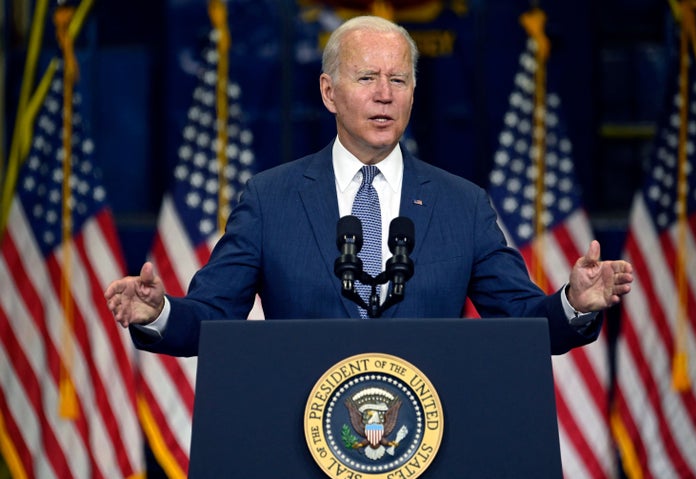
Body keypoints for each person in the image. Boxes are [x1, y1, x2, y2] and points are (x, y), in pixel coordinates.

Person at [105, 15, 633, 357]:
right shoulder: (271, 199)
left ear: (412, 93)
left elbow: (521, 321)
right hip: (303, 435)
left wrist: (574, 302)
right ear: (329, 92)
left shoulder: (462, 205)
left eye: (398, 80)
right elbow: (212, 319)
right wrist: (161, 312)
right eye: (366, 79)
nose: (384, 95)